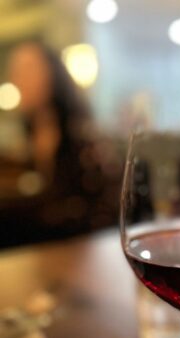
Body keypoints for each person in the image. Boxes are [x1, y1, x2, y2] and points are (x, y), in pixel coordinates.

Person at [2, 41, 120, 247]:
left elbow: (105, 211)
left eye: (28, 69)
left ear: (53, 73)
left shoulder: (82, 137)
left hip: (80, 250)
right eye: (14, 70)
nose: (18, 78)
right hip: (40, 249)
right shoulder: (29, 135)